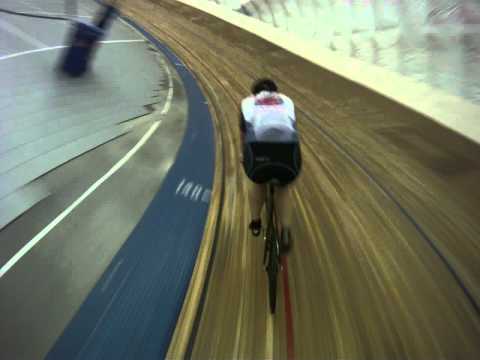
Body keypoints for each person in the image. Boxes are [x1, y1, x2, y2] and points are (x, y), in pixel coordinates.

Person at [240, 78, 302, 252]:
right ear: (277, 92)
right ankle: (286, 231)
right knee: (284, 188)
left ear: (254, 94)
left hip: (259, 151)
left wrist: (243, 156)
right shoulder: (287, 101)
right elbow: (292, 129)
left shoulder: (247, 103)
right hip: (287, 153)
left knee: (256, 182)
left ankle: (255, 221)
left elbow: (244, 136)